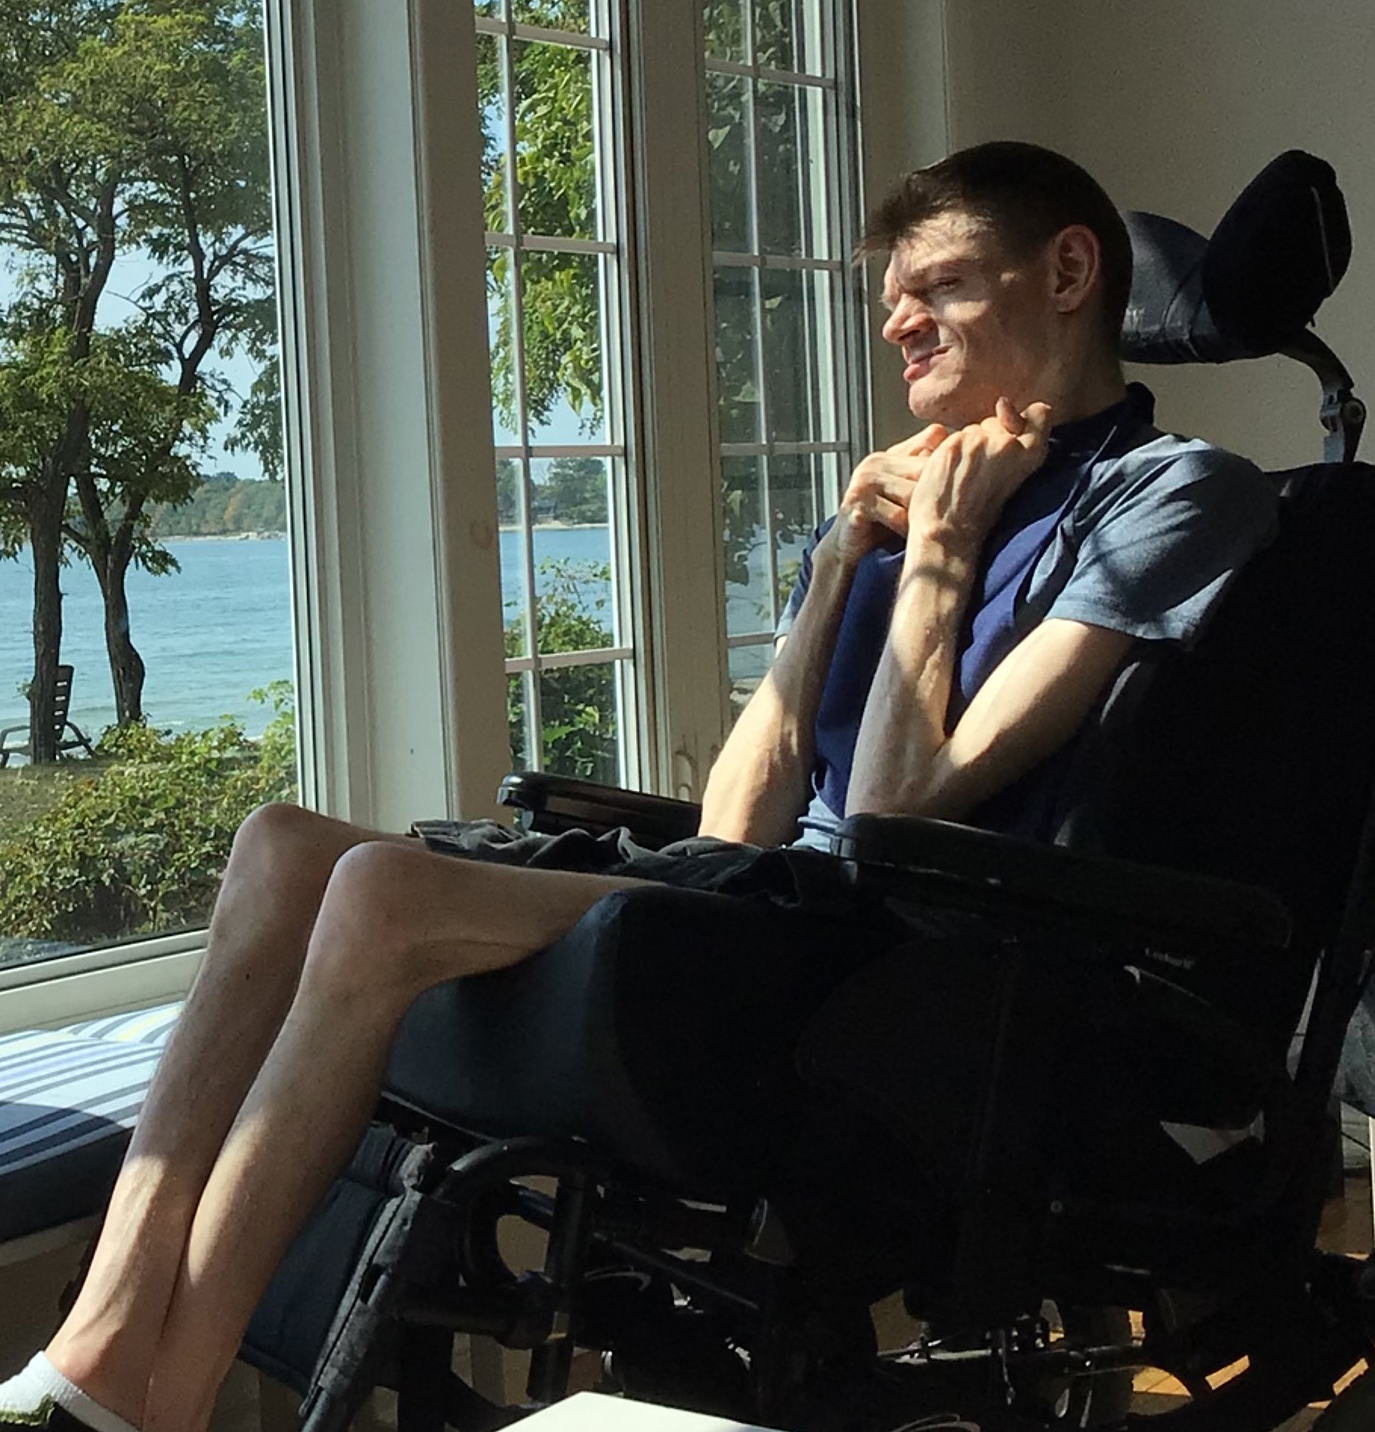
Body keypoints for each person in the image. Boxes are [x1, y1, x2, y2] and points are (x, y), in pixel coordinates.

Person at [0, 142, 1276, 1432]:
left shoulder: (1169, 496)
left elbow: (894, 810)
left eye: (938, 285)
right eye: (892, 296)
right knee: (283, 845)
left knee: (383, 891)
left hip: (917, 956)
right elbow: (736, 819)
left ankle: (148, 1403)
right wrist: (843, 556)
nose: (896, 323)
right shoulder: (907, 507)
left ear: (1068, 271)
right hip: (769, 899)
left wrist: (943, 549)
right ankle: (97, 1355)